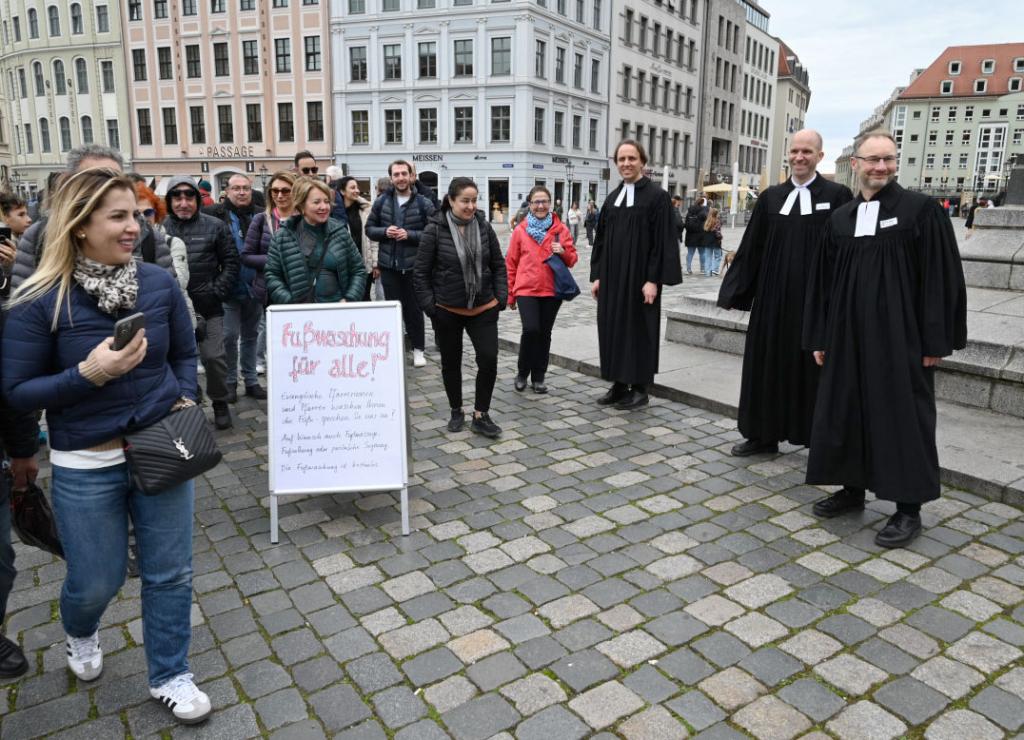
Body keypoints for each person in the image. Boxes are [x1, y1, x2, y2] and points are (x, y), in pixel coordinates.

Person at [2, 168, 210, 723]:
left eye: (137, 214)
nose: (134, 227)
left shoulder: (158, 283)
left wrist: (184, 396)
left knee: (171, 572)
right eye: (118, 216)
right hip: (85, 459)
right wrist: (90, 373)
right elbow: (17, 390)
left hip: (161, 445)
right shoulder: (39, 298)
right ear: (77, 226)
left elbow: (184, 354)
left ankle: (170, 673)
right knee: (98, 578)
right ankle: (81, 628)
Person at [803, 132, 967, 548]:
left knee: (902, 417)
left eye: (888, 160)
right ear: (855, 163)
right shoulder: (840, 219)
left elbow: (940, 280)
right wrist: (820, 334)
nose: (881, 168)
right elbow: (822, 284)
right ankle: (851, 487)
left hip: (901, 339)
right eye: (873, 160)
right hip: (846, 337)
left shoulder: (921, 211)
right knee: (844, 408)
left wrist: (935, 342)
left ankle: (908, 507)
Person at [717, 129, 854, 457]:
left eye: (807, 151)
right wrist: (736, 292)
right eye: (794, 151)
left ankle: (816, 440)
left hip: (815, 301)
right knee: (765, 366)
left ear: (820, 156)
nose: (799, 157)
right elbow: (753, 247)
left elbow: (847, 251)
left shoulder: (837, 195)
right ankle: (762, 435)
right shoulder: (771, 198)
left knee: (813, 372)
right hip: (773, 300)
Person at [590, 140, 682, 410]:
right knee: (614, 328)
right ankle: (619, 383)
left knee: (639, 331)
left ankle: (640, 388)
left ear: (643, 161)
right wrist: (597, 275)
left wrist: (653, 279)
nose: (626, 163)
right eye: (621, 159)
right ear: (616, 163)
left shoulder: (657, 197)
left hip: (641, 280)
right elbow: (601, 240)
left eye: (632, 158)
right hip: (613, 278)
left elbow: (662, 242)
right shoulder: (612, 197)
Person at [414, 177, 507, 438]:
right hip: (448, 309)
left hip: (484, 306)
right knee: (451, 363)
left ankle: (481, 414)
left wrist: (500, 297)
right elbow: (420, 273)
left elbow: (498, 264)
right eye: (465, 200)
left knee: (488, 359)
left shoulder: (483, 226)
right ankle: (457, 410)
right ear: (451, 200)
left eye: (474, 200)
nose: (470, 206)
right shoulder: (434, 229)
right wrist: (431, 307)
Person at [163, 176, 239, 430]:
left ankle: (219, 400)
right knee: (177, 361)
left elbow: (231, 261)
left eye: (189, 197)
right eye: (177, 197)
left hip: (208, 305)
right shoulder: (160, 228)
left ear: (197, 199)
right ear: (170, 201)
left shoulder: (215, 226)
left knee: (214, 356)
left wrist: (216, 291)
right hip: (172, 309)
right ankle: (188, 402)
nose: (183, 203)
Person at [506, 185, 577, 394]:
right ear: (530, 204)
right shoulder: (520, 230)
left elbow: (572, 259)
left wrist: (563, 251)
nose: (540, 205)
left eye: (544, 201)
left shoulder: (560, 229)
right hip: (526, 289)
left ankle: (538, 377)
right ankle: (522, 372)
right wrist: (510, 294)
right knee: (530, 330)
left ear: (550, 203)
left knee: (544, 333)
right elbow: (511, 263)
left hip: (551, 290)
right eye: (536, 201)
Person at [366, 160, 436, 368]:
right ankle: (395, 349)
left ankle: (418, 350)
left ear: (411, 176)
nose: (400, 178)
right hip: (389, 266)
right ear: (391, 178)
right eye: (396, 174)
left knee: (414, 310)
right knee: (393, 310)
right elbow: (369, 228)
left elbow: (434, 233)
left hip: (414, 266)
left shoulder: (424, 202)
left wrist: (411, 235)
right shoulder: (381, 202)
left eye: (404, 173)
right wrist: (384, 232)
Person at [204, 174, 265, 403]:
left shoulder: (260, 214)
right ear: (227, 191)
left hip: (255, 287)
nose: (242, 192)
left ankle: (251, 380)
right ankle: (230, 381)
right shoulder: (215, 214)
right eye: (236, 188)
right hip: (228, 286)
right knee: (229, 336)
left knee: (251, 335)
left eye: (246, 188)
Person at [264, 177, 365, 305]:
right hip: (300, 315)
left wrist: (349, 299)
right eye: (316, 202)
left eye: (326, 201)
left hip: (338, 312)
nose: (324, 207)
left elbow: (358, 270)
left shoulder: (340, 232)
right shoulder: (283, 236)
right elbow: (272, 275)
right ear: (301, 205)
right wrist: (290, 303)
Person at [337, 176, 376, 302]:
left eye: (357, 187)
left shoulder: (365, 210)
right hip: (344, 266)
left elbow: (373, 238)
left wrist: (375, 264)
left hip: (363, 264)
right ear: (342, 191)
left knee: (365, 298)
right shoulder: (335, 213)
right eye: (352, 187)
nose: (357, 190)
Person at [683, 197, 709, 275]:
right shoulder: (703, 211)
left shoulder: (689, 211)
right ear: (702, 203)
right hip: (701, 236)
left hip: (690, 236)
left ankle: (688, 269)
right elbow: (706, 221)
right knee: (702, 253)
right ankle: (702, 269)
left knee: (690, 253)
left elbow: (686, 223)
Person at [701, 208, 723, 277]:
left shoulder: (707, 221)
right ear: (716, 214)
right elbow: (718, 233)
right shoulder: (717, 221)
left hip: (707, 242)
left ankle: (708, 272)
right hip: (715, 241)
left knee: (708, 257)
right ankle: (714, 269)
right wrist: (721, 237)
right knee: (718, 256)